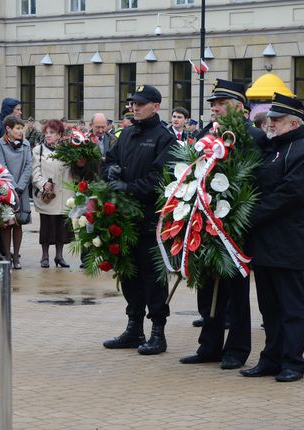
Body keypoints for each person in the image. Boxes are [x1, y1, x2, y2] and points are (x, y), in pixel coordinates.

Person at [180, 79, 265, 370]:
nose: (214, 108)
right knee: (206, 288)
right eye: (213, 103)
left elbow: (255, 181)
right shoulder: (207, 134)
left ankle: (237, 348)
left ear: (240, 107)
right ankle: (209, 345)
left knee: (236, 292)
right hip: (205, 223)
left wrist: (233, 208)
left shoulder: (253, 136)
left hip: (235, 225)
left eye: (220, 103)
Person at [240, 93, 304, 382]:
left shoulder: (303, 150)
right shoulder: (274, 149)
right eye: (270, 119)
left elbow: (291, 194)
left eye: (276, 119)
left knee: (292, 308)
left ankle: (292, 362)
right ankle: (270, 357)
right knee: (269, 307)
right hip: (266, 242)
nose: (270, 123)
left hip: (290, 243)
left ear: (293, 122)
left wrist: (250, 213)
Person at [102, 85, 176, 356]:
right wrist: (111, 171)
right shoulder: (127, 134)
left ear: (155, 106)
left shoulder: (165, 138)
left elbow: (160, 179)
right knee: (129, 276)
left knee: (153, 278)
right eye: (133, 103)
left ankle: (158, 331)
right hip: (123, 220)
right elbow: (109, 160)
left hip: (149, 221)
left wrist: (126, 188)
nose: (134, 107)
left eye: (141, 104)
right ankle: (134, 327)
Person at [31, 119, 74, 268]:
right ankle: (45, 256)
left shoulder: (69, 150)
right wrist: (43, 183)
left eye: (52, 133)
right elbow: (35, 172)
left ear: (60, 134)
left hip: (64, 195)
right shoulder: (38, 150)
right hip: (48, 196)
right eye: (47, 132)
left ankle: (59, 256)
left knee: (61, 227)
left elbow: (74, 171)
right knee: (47, 227)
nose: (48, 135)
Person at [0, 115, 33, 269]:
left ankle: (16, 257)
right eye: (17, 128)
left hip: (21, 189)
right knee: (6, 223)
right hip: (5, 189)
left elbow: (28, 166)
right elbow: (1, 165)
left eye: (21, 128)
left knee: (19, 223)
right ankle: (7, 255)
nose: (20, 131)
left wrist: (20, 186)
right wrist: (12, 186)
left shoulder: (26, 144)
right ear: (8, 129)